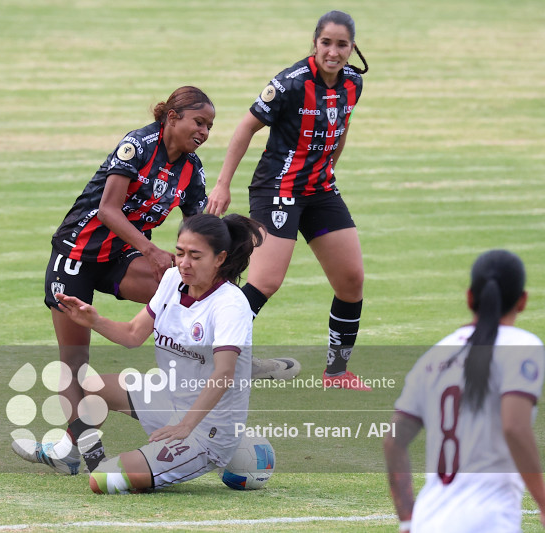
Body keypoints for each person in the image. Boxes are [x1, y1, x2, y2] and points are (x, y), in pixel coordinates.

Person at [19, 86, 214, 474]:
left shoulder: (192, 168)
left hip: (119, 256)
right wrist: (152, 250)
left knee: (183, 286)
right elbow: (108, 210)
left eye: (209, 125)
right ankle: (82, 453)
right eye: (199, 122)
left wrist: (226, 247)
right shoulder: (137, 145)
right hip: (76, 253)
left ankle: (221, 356)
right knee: (75, 361)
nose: (205, 132)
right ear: (171, 118)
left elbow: (201, 227)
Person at [206, 10, 371, 389]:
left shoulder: (352, 83)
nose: (333, 51)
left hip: (321, 190)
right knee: (266, 280)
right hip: (277, 190)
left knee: (351, 279)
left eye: (341, 44)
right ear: (315, 43)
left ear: (352, 47)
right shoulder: (289, 84)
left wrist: (329, 168)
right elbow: (246, 126)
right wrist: (222, 184)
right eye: (326, 42)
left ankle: (337, 372)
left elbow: (341, 127)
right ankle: (210, 357)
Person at [54, 213, 263, 493]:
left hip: (207, 429)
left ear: (220, 259)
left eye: (195, 256)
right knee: (91, 387)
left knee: (102, 482)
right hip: (170, 401)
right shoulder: (173, 279)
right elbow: (132, 334)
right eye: (180, 253)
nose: (184, 263)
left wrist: (186, 426)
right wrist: (95, 321)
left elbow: (224, 373)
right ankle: (86, 458)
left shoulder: (230, 304)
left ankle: (189, 457)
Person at [384, 250, 545, 532]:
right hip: (489, 521)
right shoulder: (522, 345)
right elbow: (514, 427)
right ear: (522, 301)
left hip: (428, 520)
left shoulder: (435, 355)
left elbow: (393, 441)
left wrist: (408, 519)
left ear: (470, 298)